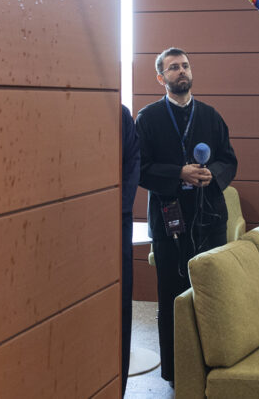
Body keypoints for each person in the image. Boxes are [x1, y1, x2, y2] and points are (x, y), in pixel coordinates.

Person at [136, 48, 238, 385]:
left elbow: (228, 159)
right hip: (170, 222)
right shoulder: (147, 119)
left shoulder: (210, 115)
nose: (181, 71)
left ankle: (214, 366)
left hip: (210, 220)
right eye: (173, 68)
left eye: (185, 66)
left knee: (212, 295)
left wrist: (214, 175)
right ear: (161, 78)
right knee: (174, 297)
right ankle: (176, 371)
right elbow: (139, 170)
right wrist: (178, 173)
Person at [121, 104, 141, 396]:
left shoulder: (120, 114)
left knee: (121, 306)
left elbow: (132, 163)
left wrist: (119, 207)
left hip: (115, 223)